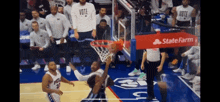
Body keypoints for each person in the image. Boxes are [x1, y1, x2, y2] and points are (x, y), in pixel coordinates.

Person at [45, 6, 71, 72]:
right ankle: (57, 63)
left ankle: (68, 65)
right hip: (54, 37)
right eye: (51, 9)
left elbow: (66, 27)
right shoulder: (47, 17)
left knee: (66, 51)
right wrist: (50, 35)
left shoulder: (62, 16)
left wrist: (63, 36)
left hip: (63, 37)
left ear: (57, 10)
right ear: (50, 10)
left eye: (54, 9)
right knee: (55, 52)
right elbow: (47, 27)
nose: (53, 11)